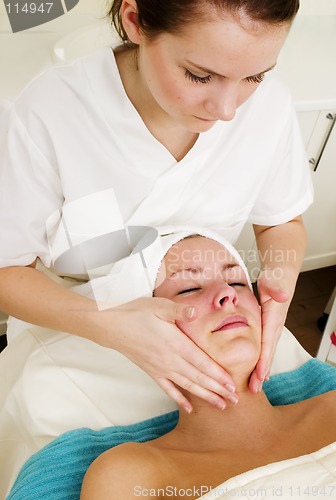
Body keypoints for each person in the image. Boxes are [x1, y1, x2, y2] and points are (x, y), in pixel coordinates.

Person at [0, 0, 312, 486]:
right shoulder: (53, 109)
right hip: (74, 318)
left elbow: (282, 223)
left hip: (211, 307)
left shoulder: (269, 108)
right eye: (200, 76)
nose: (228, 110)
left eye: (255, 77)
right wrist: (108, 326)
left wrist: (277, 278)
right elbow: (5, 272)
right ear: (134, 21)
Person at [80, 235, 336, 499]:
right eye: (188, 289)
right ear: (146, 334)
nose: (228, 293)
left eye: (237, 282)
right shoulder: (130, 474)